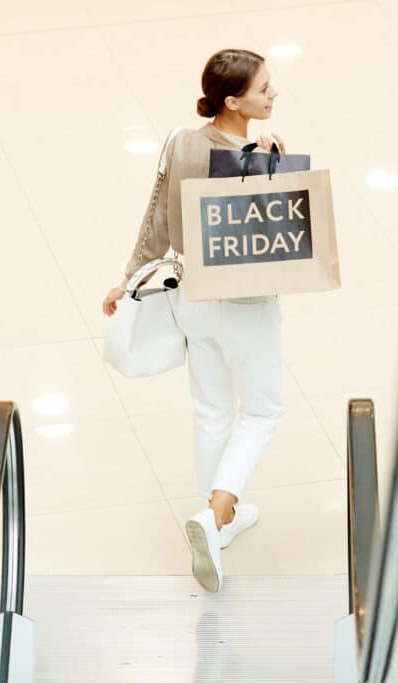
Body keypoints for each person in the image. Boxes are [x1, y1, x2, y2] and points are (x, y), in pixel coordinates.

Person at [102, 49, 286, 593]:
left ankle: (220, 524)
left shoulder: (180, 142)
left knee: (210, 408)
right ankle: (217, 511)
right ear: (233, 101)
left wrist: (130, 277)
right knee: (261, 411)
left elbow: (157, 213)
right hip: (246, 300)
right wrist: (277, 162)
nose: (273, 95)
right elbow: (278, 230)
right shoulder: (259, 153)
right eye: (263, 90)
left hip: (191, 296)